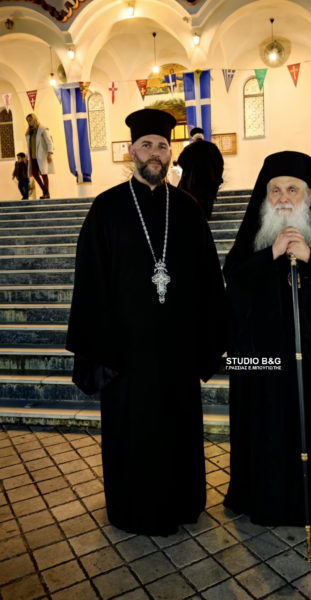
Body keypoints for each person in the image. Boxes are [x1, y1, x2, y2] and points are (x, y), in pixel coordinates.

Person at [66, 108, 226, 536]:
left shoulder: (188, 209)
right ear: (131, 152)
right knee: (133, 432)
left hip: (177, 353)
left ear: (170, 153)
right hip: (127, 357)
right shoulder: (106, 208)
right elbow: (91, 280)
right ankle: (132, 507)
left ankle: (182, 502)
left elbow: (209, 280)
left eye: (161, 146)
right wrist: (102, 345)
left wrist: (207, 337)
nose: (155, 153)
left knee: (178, 428)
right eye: (146, 145)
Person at [223, 151, 311, 530]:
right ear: (265, 196)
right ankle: (264, 500)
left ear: (308, 194)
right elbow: (233, 282)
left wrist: (310, 258)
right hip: (261, 365)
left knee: (310, 428)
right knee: (266, 429)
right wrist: (271, 255)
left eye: (292, 189)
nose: (283, 198)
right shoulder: (255, 238)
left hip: (310, 360)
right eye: (275, 190)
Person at [177, 127, 224, 219]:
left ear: (193, 137)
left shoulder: (188, 148)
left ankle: (198, 219)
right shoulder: (212, 147)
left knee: (196, 201)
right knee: (208, 201)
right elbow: (220, 163)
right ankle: (207, 217)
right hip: (210, 180)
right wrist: (217, 177)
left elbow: (181, 161)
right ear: (202, 136)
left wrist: (189, 171)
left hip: (194, 182)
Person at [25, 113, 54, 199]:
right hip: (33, 156)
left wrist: (50, 153)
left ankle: (46, 193)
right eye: (28, 120)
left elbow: (49, 142)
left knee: (44, 173)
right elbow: (29, 145)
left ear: (34, 119)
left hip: (41, 155)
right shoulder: (29, 132)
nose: (29, 122)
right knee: (34, 173)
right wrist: (27, 155)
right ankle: (45, 191)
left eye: (30, 120)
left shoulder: (42, 129)